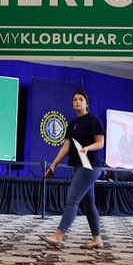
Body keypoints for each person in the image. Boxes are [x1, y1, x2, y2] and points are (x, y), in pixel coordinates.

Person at [40, 90, 106, 250]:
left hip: (90, 166)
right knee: (89, 204)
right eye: (75, 100)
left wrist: (87, 148)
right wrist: (54, 164)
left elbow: (100, 143)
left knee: (72, 200)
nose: (77, 102)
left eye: (81, 99)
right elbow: (66, 146)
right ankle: (97, 239)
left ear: (87, 103)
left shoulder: (93, 120)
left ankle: (58, 235)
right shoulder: (72, 124)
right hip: (78, 165)